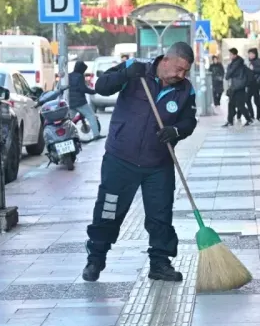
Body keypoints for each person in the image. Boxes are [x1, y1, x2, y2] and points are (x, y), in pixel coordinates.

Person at [83, 42, 197, 283]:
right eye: (178, 69)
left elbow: (189, 121)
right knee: (109, 209)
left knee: (160, 214)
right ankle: (96, 258)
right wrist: (124, 74)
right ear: (165, 60)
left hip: (158, 164)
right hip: (120, 159)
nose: (181, 75)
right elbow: (101, 87)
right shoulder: (136, 70)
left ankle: (160, 263)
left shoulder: (185, 90)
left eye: (185, 71)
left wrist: (175, 131)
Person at [68, 60, 104, 142]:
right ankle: (96, 135)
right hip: (80, 102)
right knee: (91, 116)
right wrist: (94, 91)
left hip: (71, 102)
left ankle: (66, 136)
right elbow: (83, 89)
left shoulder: (69, 75)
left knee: (68, 120)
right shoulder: (80, 76)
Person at [223, 48, 253, 127]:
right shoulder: (237, 63)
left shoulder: (236, 64)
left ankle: (249, 119)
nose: (229, 56)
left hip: (238, 87)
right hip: (236, 87)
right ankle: (230, 121)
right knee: (231, 104)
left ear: (234, 55)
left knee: (240, 105)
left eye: (230, 54)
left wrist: (229, 67)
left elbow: (228, 75)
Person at [245, 48, 260, 121]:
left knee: (256, 100)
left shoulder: (258, 61)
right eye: (249, 54)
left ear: (255, 54)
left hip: (256, 83)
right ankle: (253, 115)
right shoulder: (250, 62)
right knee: (248, 99)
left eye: (251, 54)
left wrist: (253, 69)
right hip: (251, 84)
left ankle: (257, 117)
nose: (250, 55)